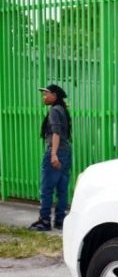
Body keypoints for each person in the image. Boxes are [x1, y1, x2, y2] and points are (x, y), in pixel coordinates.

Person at [29, 84, 73, 232]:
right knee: (62, 188)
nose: (44, 96)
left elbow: (56, 132)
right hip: (66, 150)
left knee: (46, 188)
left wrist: (53, 154)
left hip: (56, 150)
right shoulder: (63, 109)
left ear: (54, 95)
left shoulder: (54, 110)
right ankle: (60, 220)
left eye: (46, 94)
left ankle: (44, 220)